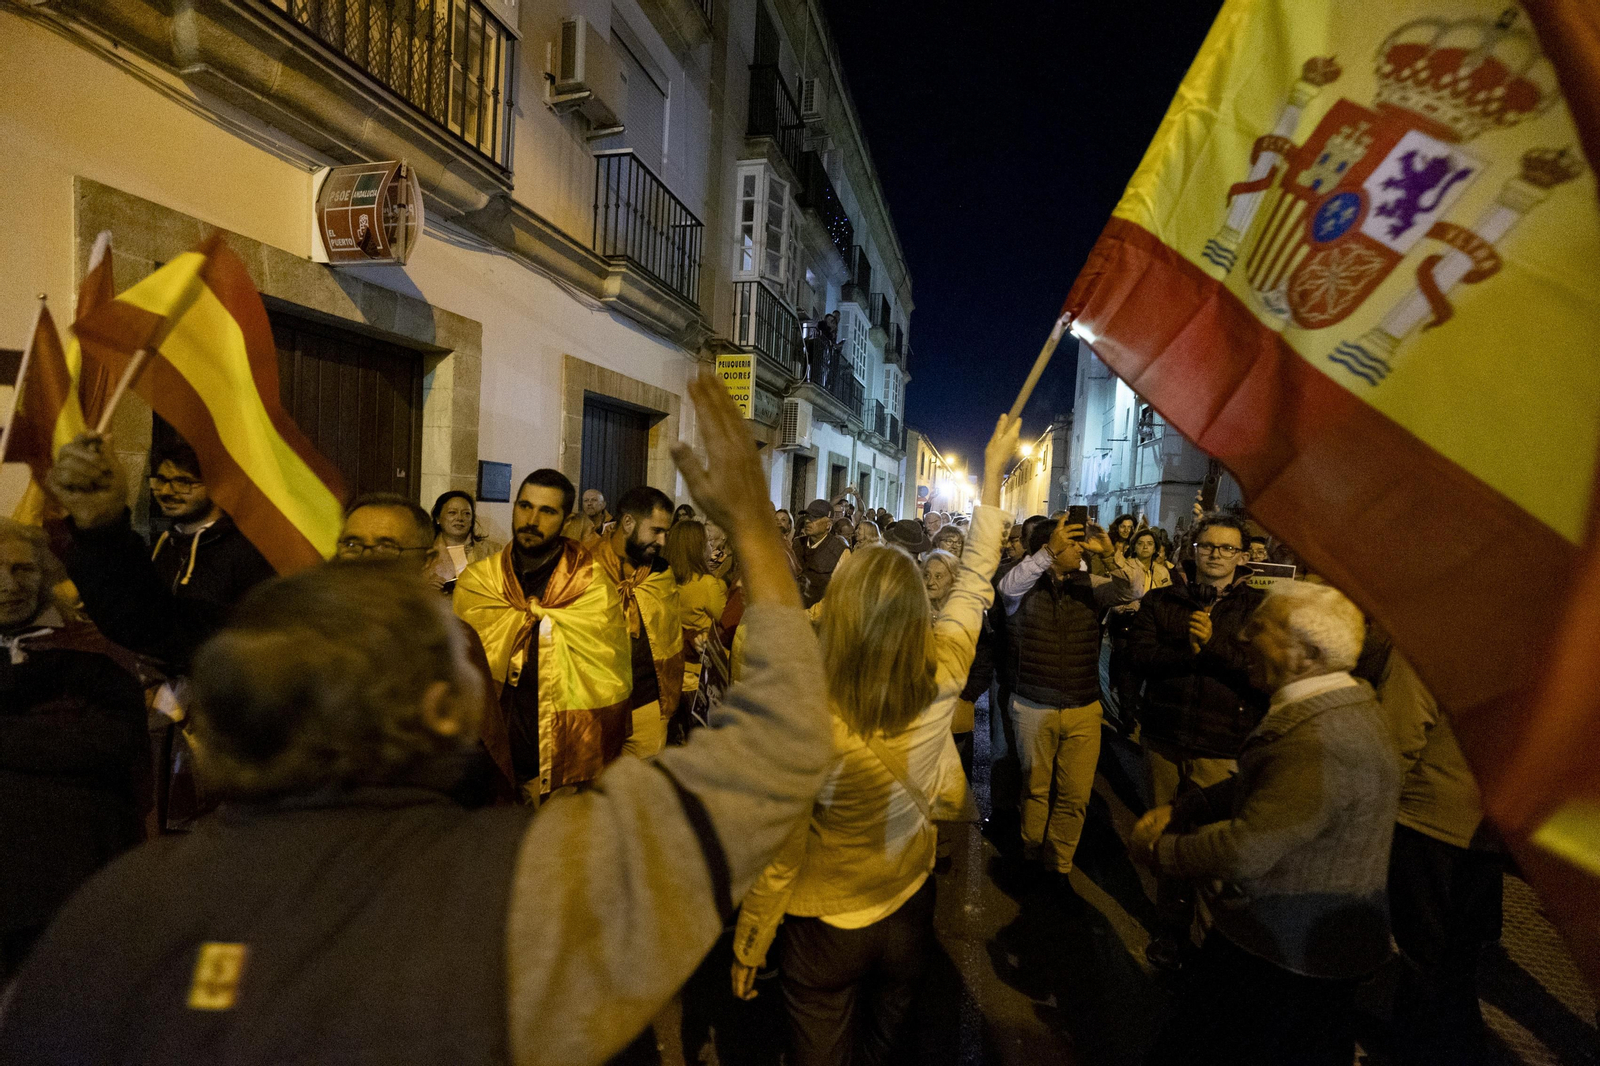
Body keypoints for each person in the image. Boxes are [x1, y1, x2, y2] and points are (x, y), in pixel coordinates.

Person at [0, 372, 836, 1066]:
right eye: (349, 550)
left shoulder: (109, 919)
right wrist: (756, 530)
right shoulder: (535, 895)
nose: (363, 564)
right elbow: (783, 742)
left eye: (381, 551)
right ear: (445, 706)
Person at [731, 413, 1018, 1066]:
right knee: (890, 1042)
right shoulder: (942, 670)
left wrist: (753, 937)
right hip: (908, 906)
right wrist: (993, 484)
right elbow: (975, 583)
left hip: (827, 920)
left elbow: (780, 848)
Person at [1132, 582, 1399, 1066]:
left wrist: (1161, 850)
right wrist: (1188, 808)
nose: (1239, 638)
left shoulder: (1320, 738)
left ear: (1305, 653)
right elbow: (1268, 788)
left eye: (1260, 628)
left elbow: (1245, 849)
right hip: (1299, 946)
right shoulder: (1337, 705)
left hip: (1286, 958)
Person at [0, 520, 146, 982]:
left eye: (22, 569)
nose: (9, 585)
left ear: (44, 574)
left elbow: (112, 746)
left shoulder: (92, 654)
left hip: (72, 878)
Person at [1124, 512, 1265, 969]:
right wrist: (1186, 648)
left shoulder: (1257, 610)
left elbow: (1260, 671)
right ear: (1194, 550)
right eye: (1209, 546)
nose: (1217, 555)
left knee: (1211, 847)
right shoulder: (1162, 601)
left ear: (1242, 557)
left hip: (1221, 747)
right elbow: (1141, 657)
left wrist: (1214, 647)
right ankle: (1169, 931)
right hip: (1166, 738)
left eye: (1227, 548)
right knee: (1168, 839)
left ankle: (1208, 940)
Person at [453, 469, 634, 801]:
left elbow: (610, 679)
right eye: (524, 506)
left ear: (567, 522)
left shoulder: (592, 587)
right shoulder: (479, 583)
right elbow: (457, 675)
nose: (531, 519)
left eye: (547, 511)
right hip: (486, 760)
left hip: (559, 766)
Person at [44, 432, 275, 671]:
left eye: (183, 482)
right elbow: (145, 620)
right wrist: (100, 526)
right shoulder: (164, 543)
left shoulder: (249, 553)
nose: (166, 491)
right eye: (160, 480)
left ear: (216, 486)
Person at [997, 515, 1131, 889]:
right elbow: (1008, 586)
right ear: (1050, 548)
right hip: (1033, 704)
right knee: (1036, 788)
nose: (1080, 549)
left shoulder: (1091, 584)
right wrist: (1048, 550)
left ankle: (1058, 867)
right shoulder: (1021, 586)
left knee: (1075, 796)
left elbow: (1131, 590)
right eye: (1072, 543)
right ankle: (1030, 852)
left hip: (1083, 707)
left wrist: (1113, 554)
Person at [1382, 652, 1503, 1066]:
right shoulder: (1529, 644)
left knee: (1426, 961)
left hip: (1427, 822)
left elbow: (1397, 739)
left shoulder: (1428, 645)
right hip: (1486, 830)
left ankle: (1419, 1052)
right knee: (1457, 962)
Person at [593, 487, 683, 759]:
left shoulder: (660, 573)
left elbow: (669, 634)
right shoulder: (585, 567)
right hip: (596, 707)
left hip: (648, 705)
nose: (663, 541)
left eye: (666, 533)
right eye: (656, 531)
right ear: (628, 522)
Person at [665, 519, 728, 709]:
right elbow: (724, 619)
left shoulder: (664, 579)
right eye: (707, 543)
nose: (711, 547)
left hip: (673, 665)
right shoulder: (707, 583)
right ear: (697, 549)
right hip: (699, 671)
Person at [429, 490, 502, 594]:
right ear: (438, 518)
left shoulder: (492, 552)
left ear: (472, 520)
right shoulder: (423, 552)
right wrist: (424, 587)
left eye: (466, 513)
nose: (459, 518)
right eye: (452, 513)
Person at [793, 499, 852, 608]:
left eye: (814, 518)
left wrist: (809, 615)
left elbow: (838, 595)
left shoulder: (840, 551)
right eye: (807, 516)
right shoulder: (797, 544)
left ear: (828, 525)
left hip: (820, 620)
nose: (807, 521)